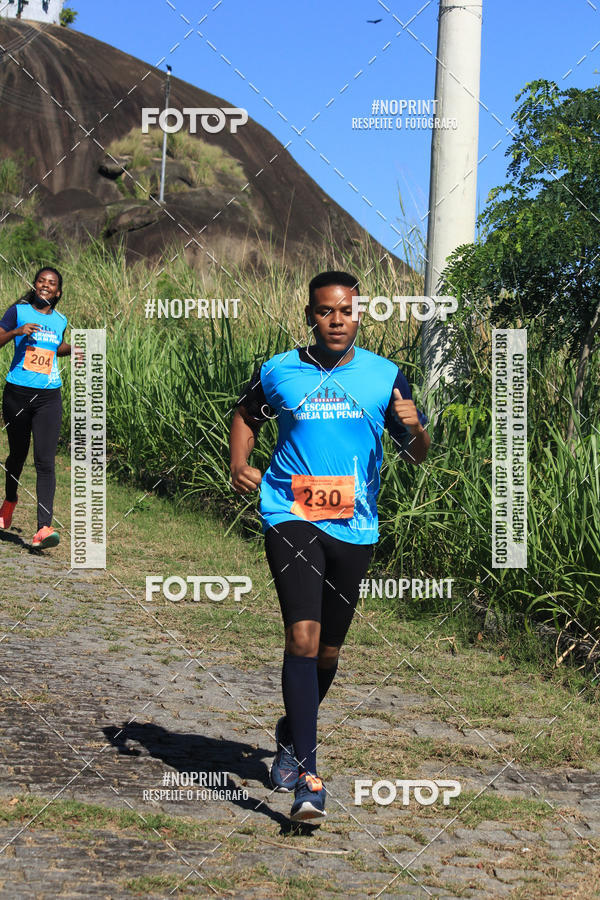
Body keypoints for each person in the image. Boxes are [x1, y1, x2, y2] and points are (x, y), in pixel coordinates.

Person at [229, 271, 430, 822]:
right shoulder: (280, 370)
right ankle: (310, 780)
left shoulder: (385, 376)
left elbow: (417, 455)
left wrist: (414, 429)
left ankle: (293, 733)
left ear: (359, 313)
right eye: (324, 311)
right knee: (302, 635)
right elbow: (246, 414)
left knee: (329, 652)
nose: (335, 320)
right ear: (310, 315)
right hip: (289, 514)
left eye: (344, 311)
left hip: (354, 525)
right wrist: (240, 464)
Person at [0, 266, 73, 549]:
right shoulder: (17, 312)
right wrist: (18, 331)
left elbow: (54, 346)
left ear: (57, 292)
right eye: (41, 281)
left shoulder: (60, 319)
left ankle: (43, 528)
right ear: (35, 285)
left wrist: (74, 350)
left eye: (51, 283)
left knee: (45, 460)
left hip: (48, 396)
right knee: (17, 454)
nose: (45, 285)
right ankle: (10, 500)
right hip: (17, 393)